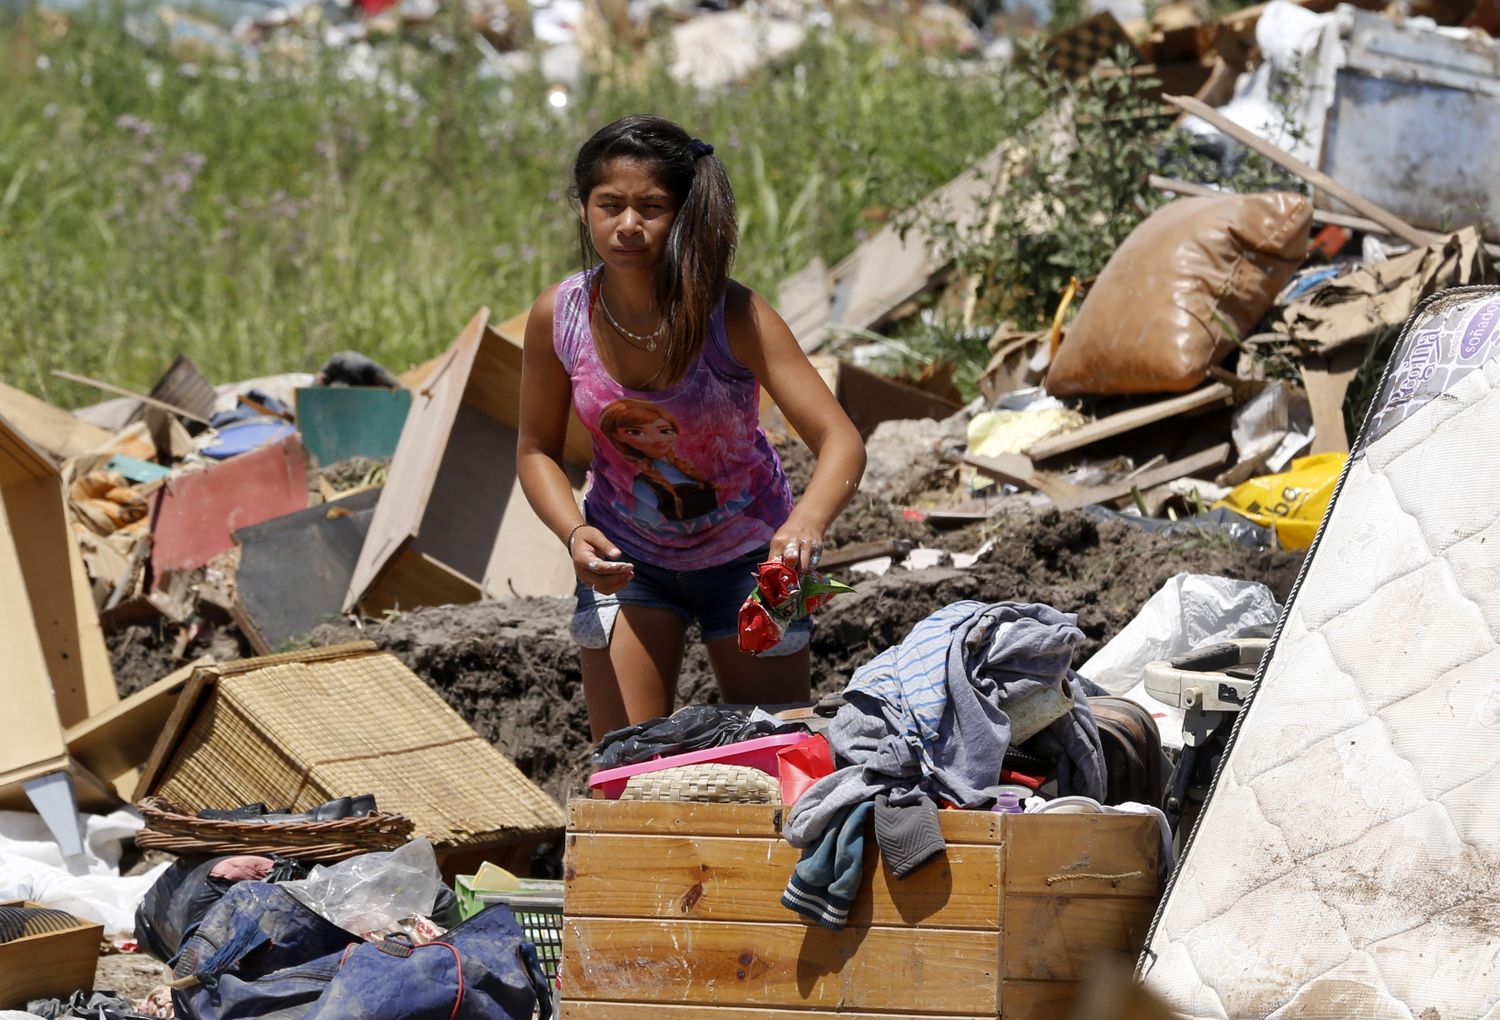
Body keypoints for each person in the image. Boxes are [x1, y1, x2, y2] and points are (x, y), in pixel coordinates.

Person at [517, 114, 867, 741]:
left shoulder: (733, 315)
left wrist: (804, 525)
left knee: (774, 757)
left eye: (651, 206)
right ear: (584, 210)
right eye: (610, 205)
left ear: (683, 214)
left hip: (751, 559)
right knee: (625, 765)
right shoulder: (560, 316)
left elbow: (841, 440)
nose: (628, 225)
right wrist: (574, 532)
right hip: (627, 560)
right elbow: (537, 450)